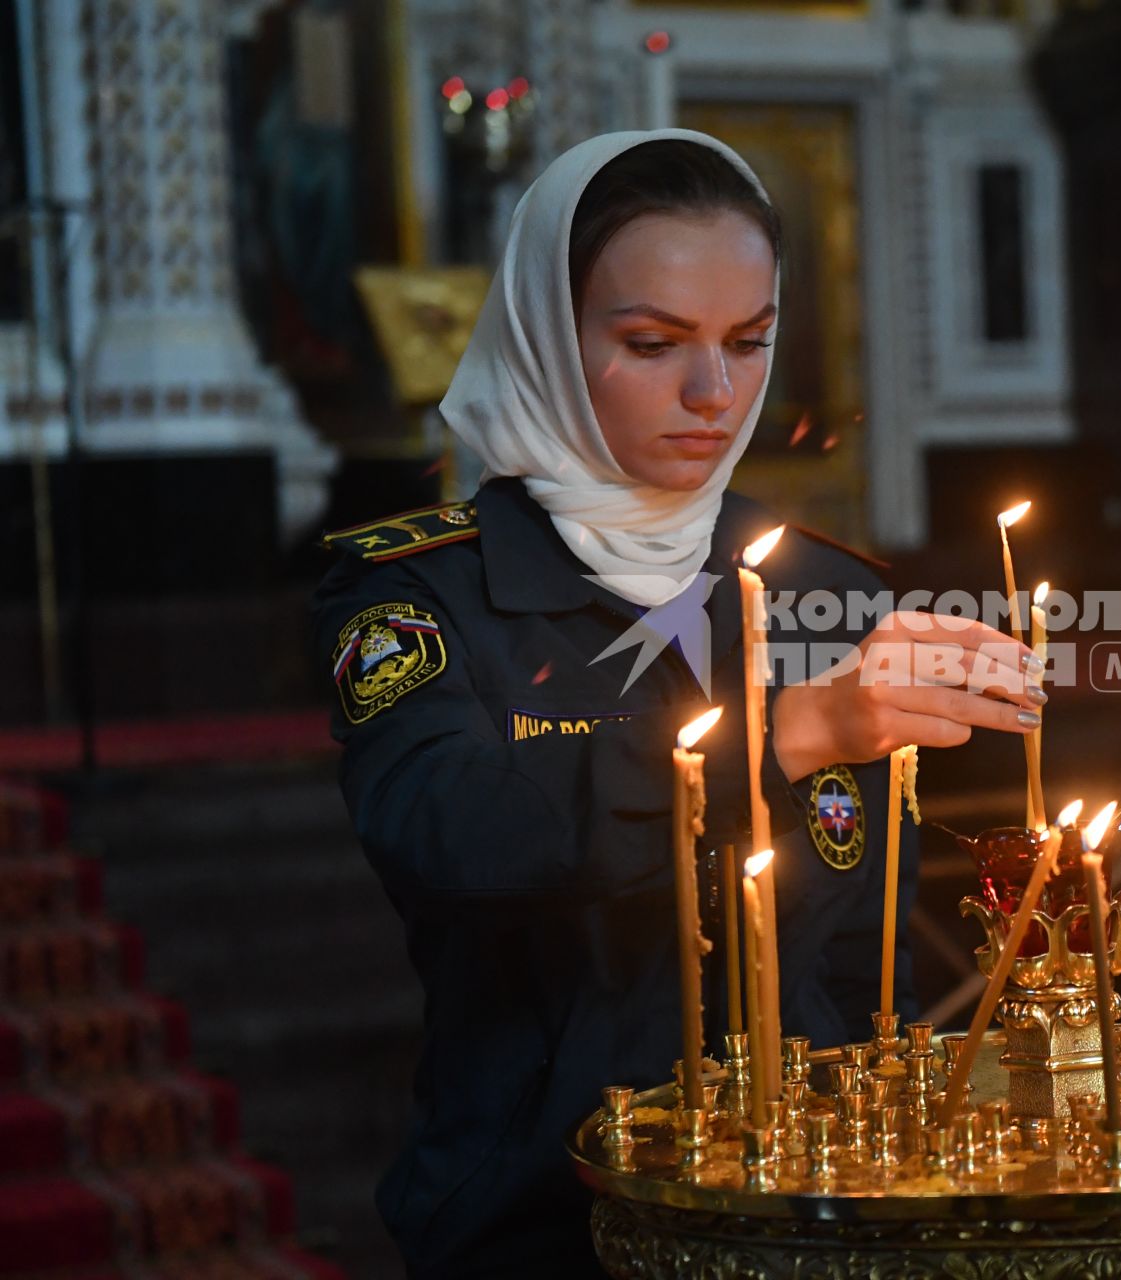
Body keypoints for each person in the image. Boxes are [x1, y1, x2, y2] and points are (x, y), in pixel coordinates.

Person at [311, 130, 1043, 1277]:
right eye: (652, 343)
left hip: (817, 1221)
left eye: (749, 343)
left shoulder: (827, 589)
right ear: (550, 334)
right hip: (549, 1214)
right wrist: (786, 733)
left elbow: (869, 958)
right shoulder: (425, 589)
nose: (714, 394)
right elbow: (449, 833)